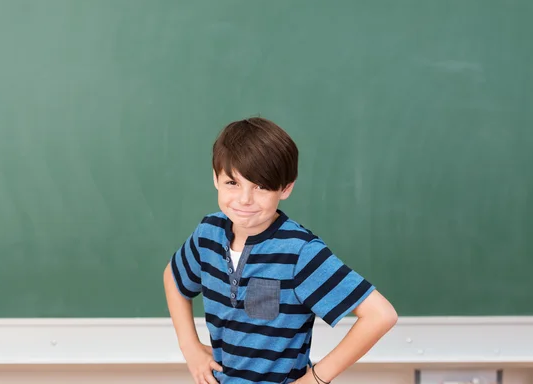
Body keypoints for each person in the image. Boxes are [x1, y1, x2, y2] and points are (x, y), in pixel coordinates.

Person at [163, 116, 398, 384]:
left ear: (285, 188)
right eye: (232, 183)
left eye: (261, 187)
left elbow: (380, 315)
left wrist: (314, 380)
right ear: (216, 178)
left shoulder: (299, 251)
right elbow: (173, 277)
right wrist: (189, 347)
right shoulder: (209, 234)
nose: (245, 199)